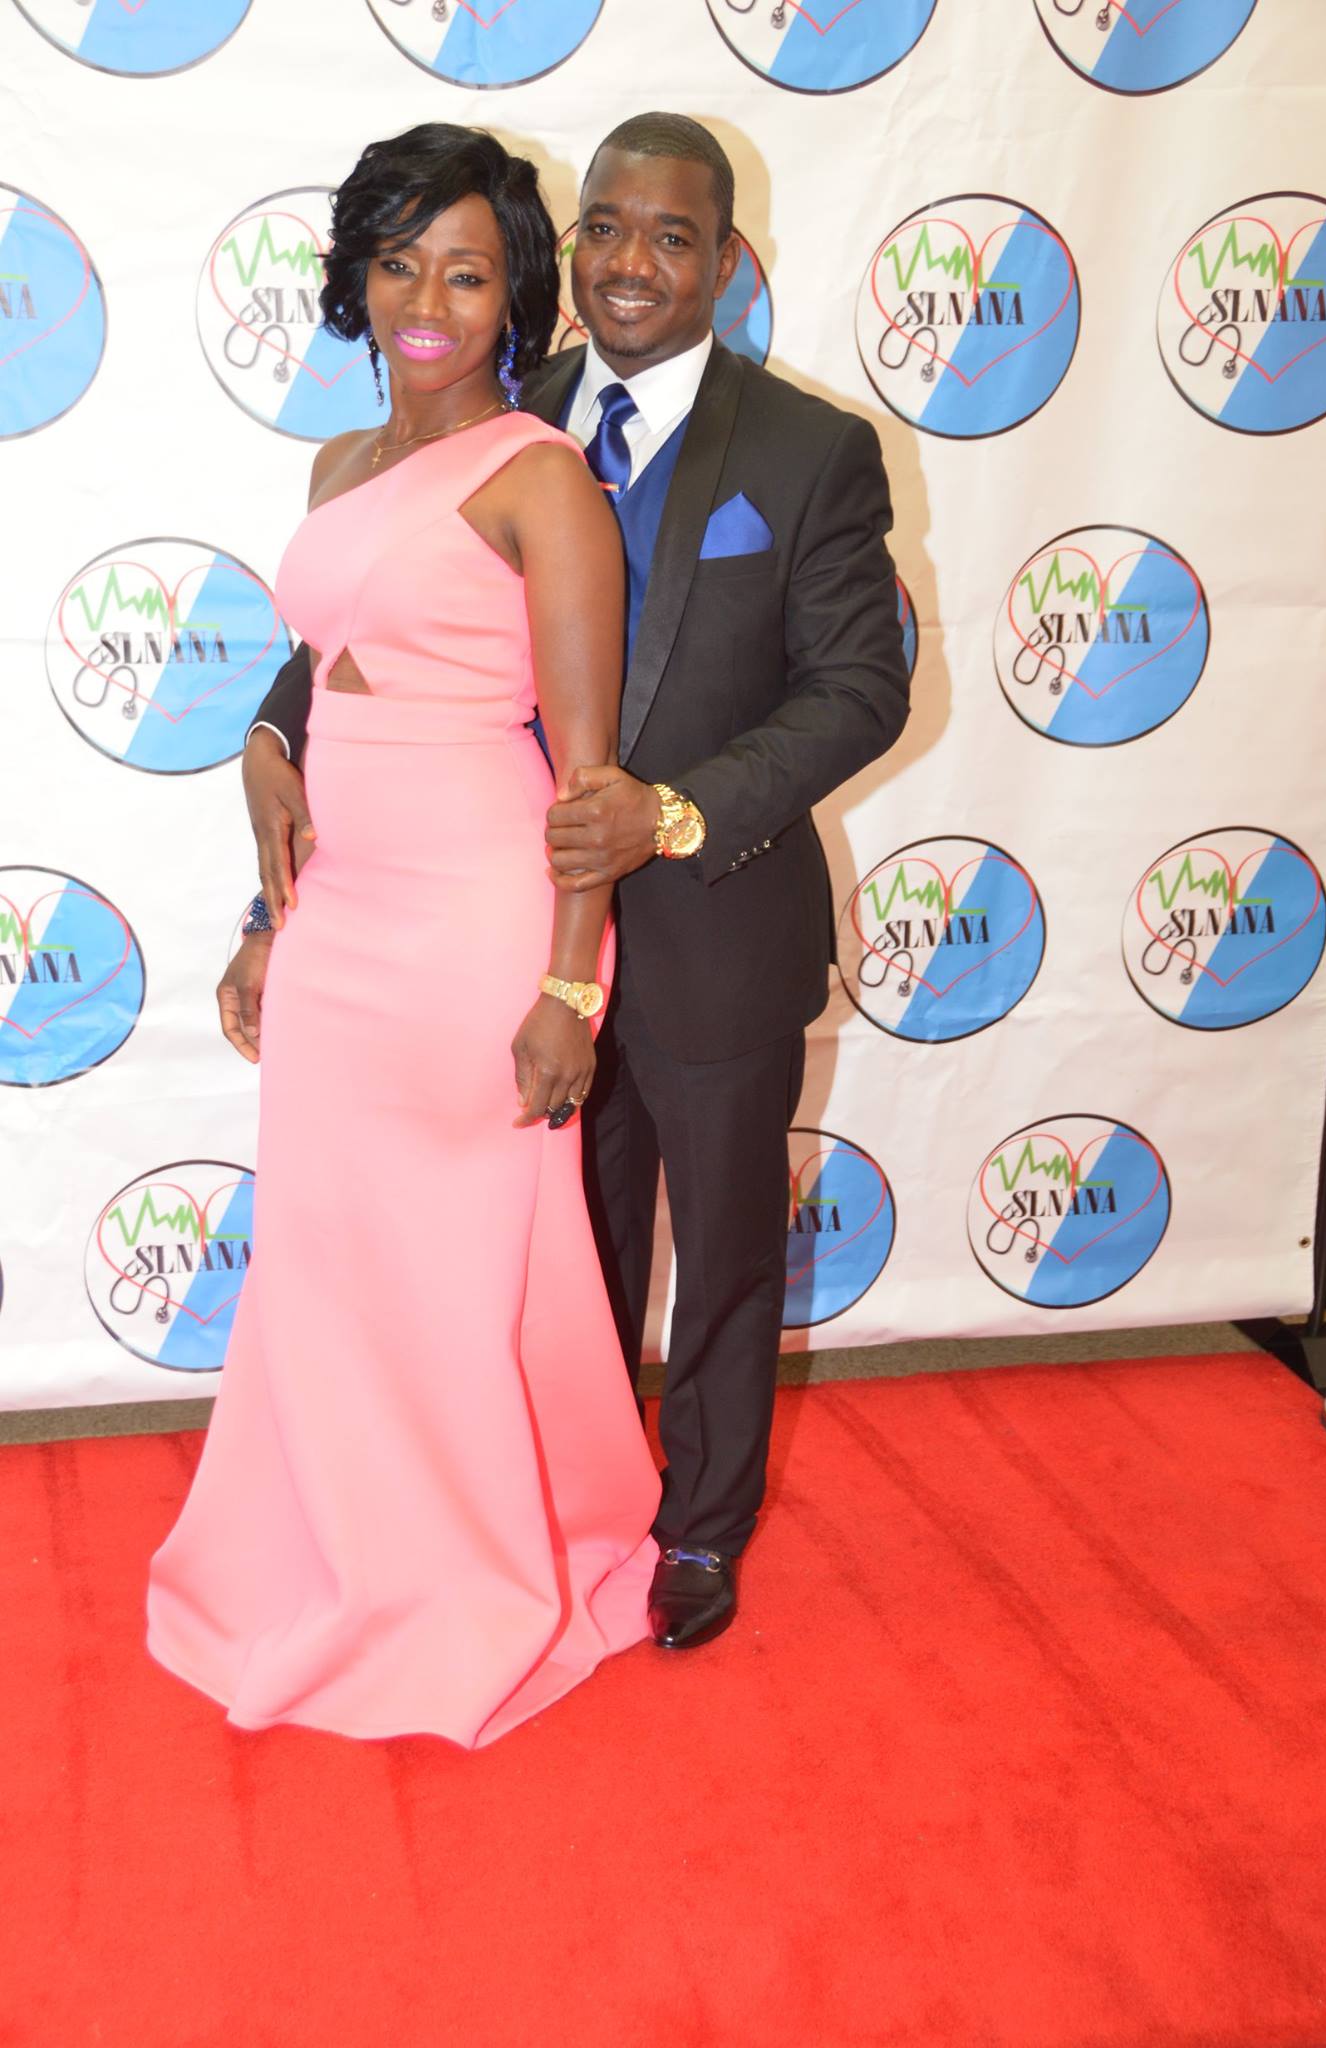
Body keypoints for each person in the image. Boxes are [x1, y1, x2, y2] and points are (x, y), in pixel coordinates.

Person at [225, 113, 911, 1654]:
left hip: (711, 916)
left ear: (728, 263)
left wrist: (672, 812)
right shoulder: (494, 398)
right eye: (607, 226)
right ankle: (566, 1501)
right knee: (548, 1257)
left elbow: (862, 689)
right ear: (570, 243)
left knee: (720, 1252)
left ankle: (701, 1528)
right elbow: (368, 624)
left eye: (674, 236)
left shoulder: (809, 451)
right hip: (497, 930)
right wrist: (271, 735)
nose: (632, 262)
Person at [148, 124, 662, 1748]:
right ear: (357, 279)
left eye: (466, 273)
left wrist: (570, 984)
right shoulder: (338, 467)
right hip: (341, 919)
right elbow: (326, 679)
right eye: (398, 265)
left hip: (474, 921)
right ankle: (329, 1553)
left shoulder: (541, 479)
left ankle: (463, 1580)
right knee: (329, 1257)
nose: (426, 304)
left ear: (517, 296)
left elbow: (588, 780)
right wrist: (267, 882)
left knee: (449, 1271)